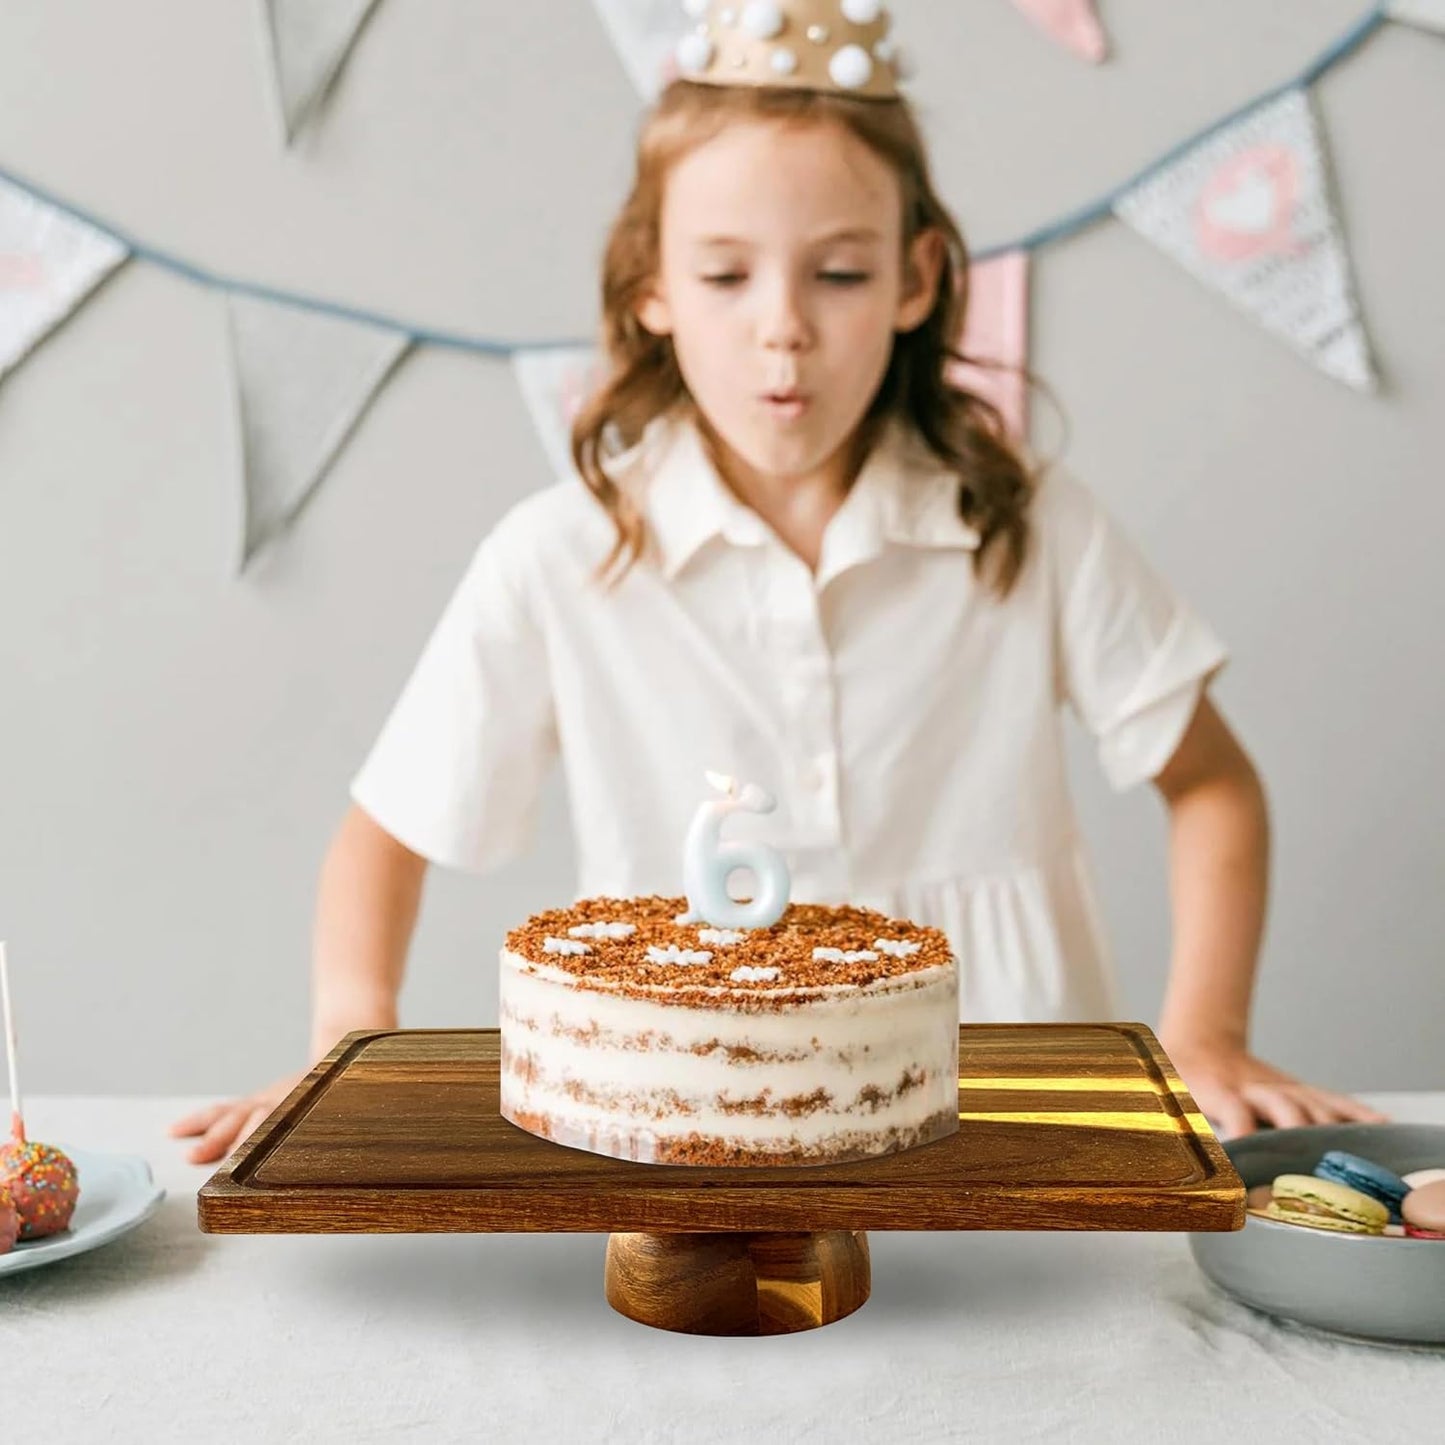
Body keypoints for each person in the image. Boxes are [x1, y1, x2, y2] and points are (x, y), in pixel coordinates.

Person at [171, 1, 1387, 1165]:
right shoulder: (560, 556)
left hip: (1008, 1134)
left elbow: (1212, 784)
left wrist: (1204, 1032)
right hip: (681, 1142)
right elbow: (381, 839)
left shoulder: (1026, 525)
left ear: (916, 278)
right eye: (724, 276)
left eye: (838, 274)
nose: (783, 328)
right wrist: (346, 1045)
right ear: (649, 286)